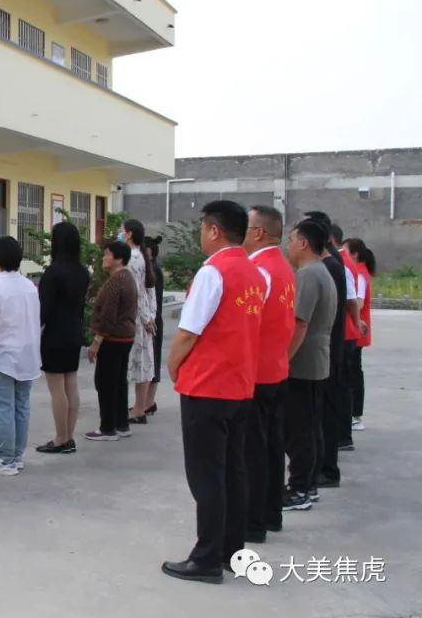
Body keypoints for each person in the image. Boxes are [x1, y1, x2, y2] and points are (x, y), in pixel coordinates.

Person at [161, 201, 265, 585]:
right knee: (233, 471)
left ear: (214, 230)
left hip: (207, 386)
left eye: (203, 228)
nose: (201, 234)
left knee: (206, 476)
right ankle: (230, 550)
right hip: (239, 386)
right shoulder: (254, 273)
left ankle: (206, 558)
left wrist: (173, 365)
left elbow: (188, 332)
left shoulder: (213, 272)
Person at [242, 206, 295, 542]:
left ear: (259, 232)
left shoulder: (259, 270)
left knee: (253, 450)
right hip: (276, 369)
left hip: (258, 373)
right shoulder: (283, 267)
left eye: (246, 227)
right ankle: (272, 512)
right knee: (273, 446)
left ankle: (254, 521)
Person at [0, 236, 41, 476]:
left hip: (2, 358)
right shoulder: (29, 286)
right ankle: (17, 456)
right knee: (21, 407)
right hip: (27, 355)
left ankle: (5, 459)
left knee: (2, 409)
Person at [282, 219, 337, 512]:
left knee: (299, 430)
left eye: (291, 240)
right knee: (310, 426)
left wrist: (283, 359)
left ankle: (300, 489)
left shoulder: (308, 275)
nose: (288, 246)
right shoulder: (321, 271)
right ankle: (309, 485)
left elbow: (299, 323)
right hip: (317, 360)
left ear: (303, 243)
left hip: (303, 364)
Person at [303, 211, 349, 491]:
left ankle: (327, 469)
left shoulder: (326, 266)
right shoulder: (331, 262)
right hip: (330, 346)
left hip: (326, 349)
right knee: (323, 412)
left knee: (323, 414)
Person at [36, 222, 90, 455]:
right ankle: (69, 437)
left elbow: (43, 310)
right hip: (74, 332)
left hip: (55, 335)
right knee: (71, 384)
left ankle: (60, 438)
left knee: (56, 388)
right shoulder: (83, 272)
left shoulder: (53, 272)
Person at [85, 241, 137, 442]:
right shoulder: (127, 277)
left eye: (107, 254)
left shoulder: (116, 281)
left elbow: (108, 315)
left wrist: (96, 342)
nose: (103, 258)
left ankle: (107, 427)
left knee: (106, 382)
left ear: (118, 259)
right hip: (125, 336)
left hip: (113, 338)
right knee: (119, 381)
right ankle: (121, 424)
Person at [331, 224, 367, 452]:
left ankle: (343, 436)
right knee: (342, 386)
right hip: (346, 332)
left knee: (340, 387)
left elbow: (352, 300)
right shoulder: (342, 261)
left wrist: (356, 321)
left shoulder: (340, 263)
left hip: (344, 334)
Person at [121, 219, 157, 423]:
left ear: (129, 234)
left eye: (122, 231)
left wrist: (145, 317)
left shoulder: (133, 258)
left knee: (137, 363)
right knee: (142, 362)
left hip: (135, 318)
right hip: (143, 317)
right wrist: (151, 315)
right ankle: (139, 407)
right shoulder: (141, 256)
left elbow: (135, 291)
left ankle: (138, 409)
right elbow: (149, 290)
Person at [344, 238, 375, 431]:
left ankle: (356, 415)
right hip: (356, 329)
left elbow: (359, 302)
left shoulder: (360, 274)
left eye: (346, 251)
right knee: (354, 372)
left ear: (354, 254)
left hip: (357, 330)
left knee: (354, 373)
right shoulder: (358, 271)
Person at [144, 235, 165, 416]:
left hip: (153, 320)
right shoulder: (151, 269)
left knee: (153, 360)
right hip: (153, 319)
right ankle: (146, 402)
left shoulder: (153, 271)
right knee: (151, 360)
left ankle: (148, 402)